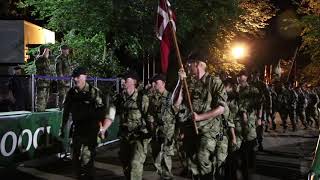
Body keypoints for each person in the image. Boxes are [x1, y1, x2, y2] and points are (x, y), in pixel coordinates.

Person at [174, 56, 226, 180]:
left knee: (203, 160)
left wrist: (200, 117)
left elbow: (221, 108)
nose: (186, 67)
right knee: (191, 163)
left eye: (189, 64)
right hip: (191, 129)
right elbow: (176, 103)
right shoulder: (189, 82)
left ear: (197, 64)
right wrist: (180, 81)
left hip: (208, 130)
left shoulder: (213, 81)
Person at [60, 67, 114, 179]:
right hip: (77, 130)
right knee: (75, 159)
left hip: (91, 130)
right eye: (74, 77)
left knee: (87, 160)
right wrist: (62, 127)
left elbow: (102, 111)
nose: (76, 79)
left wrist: (103, 128)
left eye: (78, 76)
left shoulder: (94, 92)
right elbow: (66, 112)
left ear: (84, 77)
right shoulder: (71, 93)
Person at [114, 72, 151, 180]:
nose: (123, 82)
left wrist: (151, 133)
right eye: (122, 80)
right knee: (126, 164)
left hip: (139, 136)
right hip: (125, 136)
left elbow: (150, 116)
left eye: (126, 80)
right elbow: (111, 112)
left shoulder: (142, 98)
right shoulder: (119, 98)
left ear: (134, 82)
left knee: (135, 163)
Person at [148, 74, 176, 180]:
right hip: (156, 130)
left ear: (163, 83)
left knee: (165, 155)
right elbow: (150, 112)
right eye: (153, 82)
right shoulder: (153, 97)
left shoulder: (171, 97)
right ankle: (162, 175)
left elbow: (178, 113)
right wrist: (151, 123)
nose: (153, 84)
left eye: (156, 82)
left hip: (168, 131)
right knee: (156, 156)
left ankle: (167, 176)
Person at [35, 45, 52, 112]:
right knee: (40, 100)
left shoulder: (47, 59)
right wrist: (46, 50)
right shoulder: (39, 58)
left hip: (47, 82)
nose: (49, 52)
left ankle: (42, 112)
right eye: (47, 50)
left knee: (45, 100)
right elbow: (44, 56)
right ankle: (39, 112)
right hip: (41, 83)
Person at [55, 45, 72, 109]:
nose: (68, 50)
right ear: (63, 50)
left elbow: (69, 69)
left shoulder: (67, 58)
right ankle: (60, 109)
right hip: (62, 81)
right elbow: (59, 71)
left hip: (68, 80)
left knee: (68, 96)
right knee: (62, 95)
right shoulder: (59, 58)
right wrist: (62, 81)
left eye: (68, 49)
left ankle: (66, 108)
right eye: (66, 49)